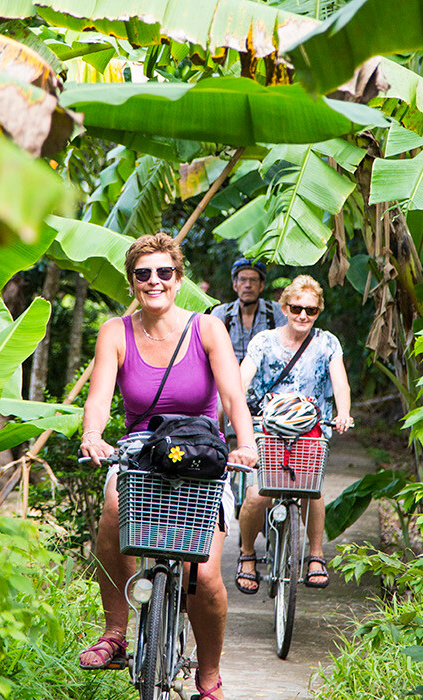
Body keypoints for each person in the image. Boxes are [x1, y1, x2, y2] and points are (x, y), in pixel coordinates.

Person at [77, 233, 259, 700]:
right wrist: (93, 436)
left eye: (164, 272)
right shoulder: (116, 332)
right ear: (132, 281)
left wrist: (246, 443)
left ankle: (208, 677)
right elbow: (98, 399)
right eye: (143, 274)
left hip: (202, 452)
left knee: (207, 576)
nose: (154, 281)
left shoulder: (207, 329)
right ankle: (116, 632)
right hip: (140, 448)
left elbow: (235, 398)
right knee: (113, 510)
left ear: (179, 279)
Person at [234, 275, 353, 594]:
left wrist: (343, 412)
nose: (303, 315)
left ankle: (316, 555)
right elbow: (243, 376)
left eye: (311, 311)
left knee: (312, 490)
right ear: (285, 308)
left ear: (318, 313)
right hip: (266, 427)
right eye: (297, 308)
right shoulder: (264, 341)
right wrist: (237, 408)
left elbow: (339, 381)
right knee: (258, 494)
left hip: (311, 428)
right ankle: (247, 555)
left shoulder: (327, 342)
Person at [208, 257, 286, 363]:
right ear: (235, 285)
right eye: (243, 280)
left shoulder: (275, 311)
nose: (248, 285)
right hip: (230, 376)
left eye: (253, 280)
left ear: (261, 285)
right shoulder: (221, 313)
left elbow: (287, 348)